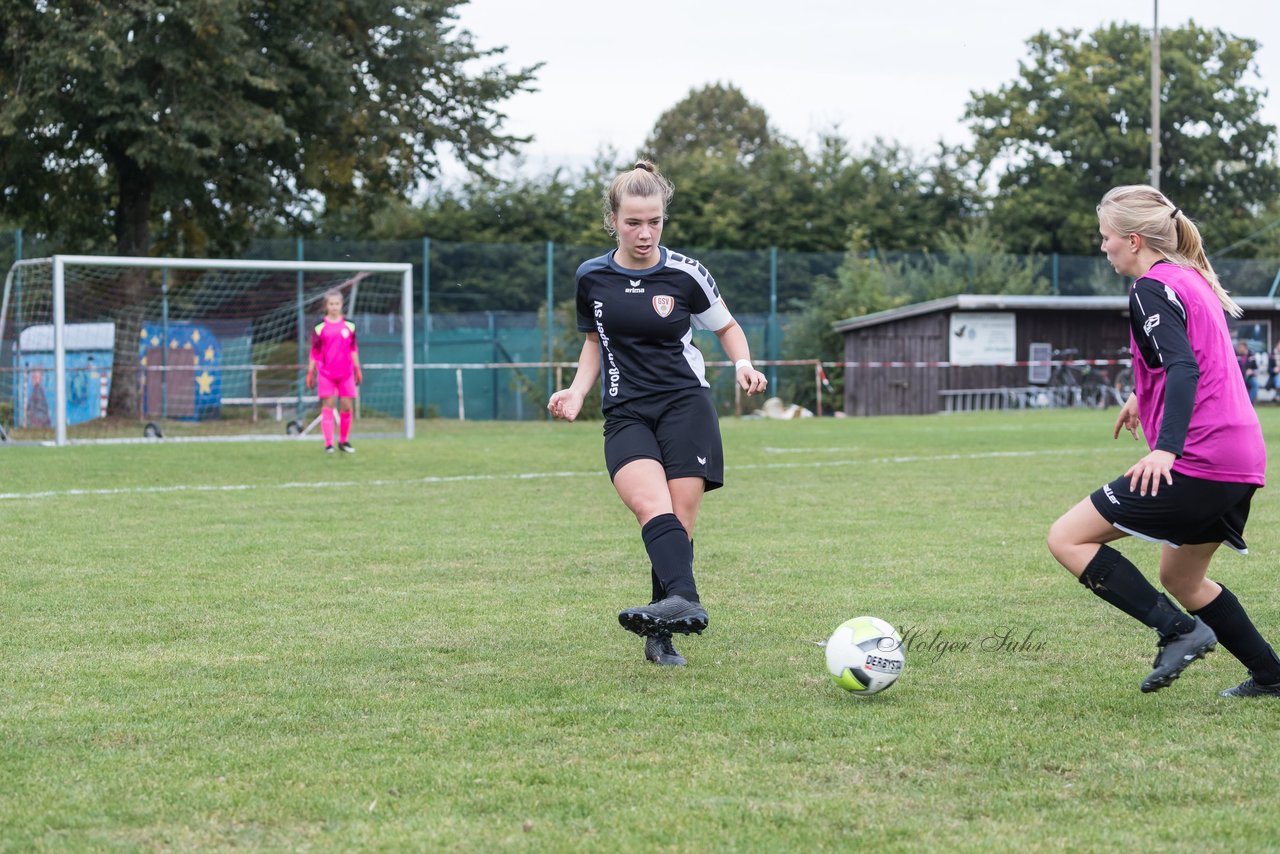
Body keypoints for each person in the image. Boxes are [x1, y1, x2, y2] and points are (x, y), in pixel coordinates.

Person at [1047, 185, 1280, 698]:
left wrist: (1166, 448)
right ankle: (1271, 675)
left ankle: (1177, 631)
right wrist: (1139, 395)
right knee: (1183, 578)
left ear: (1132, 240)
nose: (1102, 246)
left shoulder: (1150, 288)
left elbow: (1183, 367)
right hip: (1241, 457)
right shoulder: (1189, 279)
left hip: (1200, 459)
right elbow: (1189, 354)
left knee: (1067, 537)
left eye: (1106, 237)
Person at [547, 160, 768, 667]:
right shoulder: (592, 277)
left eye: (655, 222)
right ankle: (684, 600)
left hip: (685, 405)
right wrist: (579, 391)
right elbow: (593, 343)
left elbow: (727, 325)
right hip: (625, 411)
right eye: (633, 222)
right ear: (613, 220)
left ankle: (660, 631)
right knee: (653, 507)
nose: (645, 233)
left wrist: (744, 363)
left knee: (680, 519)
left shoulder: (686, 274)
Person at [306, 288, 362, 454]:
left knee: (346, 406)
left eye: (337, 303)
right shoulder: (319, 327)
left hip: (346, 373)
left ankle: (343, 441)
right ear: (326, 305)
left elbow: (353, 348)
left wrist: (358, 368)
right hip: (326, 373)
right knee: (328, 406)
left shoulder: (350, 325)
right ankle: (328, 444)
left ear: (341, 305)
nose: (334, 306)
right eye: (331, 304)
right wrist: (310, 371)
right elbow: (314, 350)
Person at [1235, 339, 1259, 403]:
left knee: (1255, 384)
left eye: (1240, 347)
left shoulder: (1251, 355)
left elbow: (1256, 368)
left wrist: (1252, 371)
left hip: (1249, 378)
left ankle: (1249, 403)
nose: (1239, 349)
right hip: (1238, 378)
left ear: (1244, 347)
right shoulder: (1236, 355)